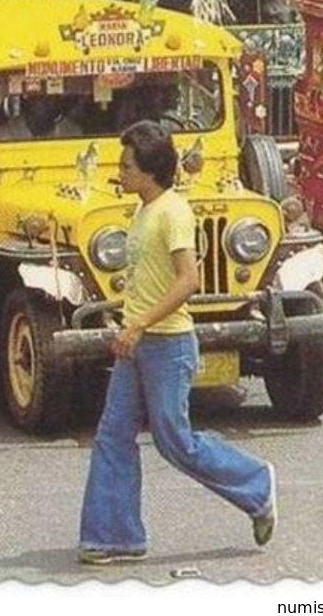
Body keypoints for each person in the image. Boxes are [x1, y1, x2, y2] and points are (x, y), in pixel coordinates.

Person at [77, 121, 276, 565]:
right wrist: (128, 323)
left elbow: (188, 281)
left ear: (149, 170)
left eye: (127, 165)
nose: (120, 171)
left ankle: (257, 485)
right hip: (137, 343)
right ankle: (113, 536)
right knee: (112, 436)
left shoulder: (172, 212)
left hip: (168, 345)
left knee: (174, 441)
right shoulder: (142, 210)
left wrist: (141, 321)